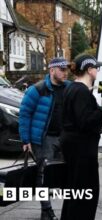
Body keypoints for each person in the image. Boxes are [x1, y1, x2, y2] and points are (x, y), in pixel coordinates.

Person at [60, 54, 102, 220]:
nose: (97, 71)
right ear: (89, 70)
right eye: (96, 68)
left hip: (73, 147)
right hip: (82, 150)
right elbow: (86, 122)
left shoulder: (71, 88)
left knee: (74, 192)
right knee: (86, 193)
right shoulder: (80, 91)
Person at [18, 57, 70, 220]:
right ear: (52, 70)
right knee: (43, 174)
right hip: (44, 138)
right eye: (61, 69)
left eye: (66, 69)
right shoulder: (37, 89)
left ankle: (64, 209)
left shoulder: (69, 88)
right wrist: (26, 140)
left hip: (64, 138)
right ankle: (46, 210)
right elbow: (24, 114)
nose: (65, 72)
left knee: (63, 173)